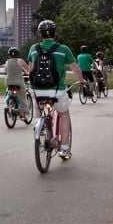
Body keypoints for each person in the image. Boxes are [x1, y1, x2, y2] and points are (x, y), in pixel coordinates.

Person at [28, 19, 86, 160]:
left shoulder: (33, 49)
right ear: (54, 33)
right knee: (64, 114)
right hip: (57, 91)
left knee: (37, 102)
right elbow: (75, 68)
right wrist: (81, 80)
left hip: (37, 90)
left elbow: (31, 70)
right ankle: (64, 149)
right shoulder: (63, 49)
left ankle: (38, 123)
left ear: (40, 35)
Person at [4, 46, 32, 120]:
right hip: (19, 81)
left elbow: (6, 71)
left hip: (8, 81)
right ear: (18, 54)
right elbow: (29, 69)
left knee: (9, 92)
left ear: (9, 55)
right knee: (23, 97)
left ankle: (9, 105)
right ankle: (23, 113)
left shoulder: (7, 62)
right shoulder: (20, 61)